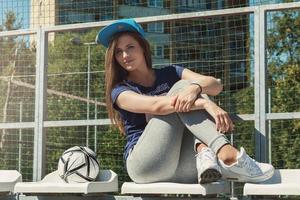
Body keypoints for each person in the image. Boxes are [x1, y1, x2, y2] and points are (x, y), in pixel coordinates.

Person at [95, 18, 274, 184]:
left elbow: (216, 85)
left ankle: (206, 153)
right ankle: (228, 154)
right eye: (118, 52)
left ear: (143, 47)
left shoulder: (170, 72)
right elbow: (157, 106)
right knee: (182, 87)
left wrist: (195, 89)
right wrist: (205, 103)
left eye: (130, 47)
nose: (125, 55)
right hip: (145, 165)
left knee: (190, 86)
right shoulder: (119, 91)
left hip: (182, 165)